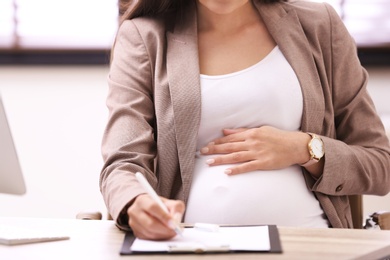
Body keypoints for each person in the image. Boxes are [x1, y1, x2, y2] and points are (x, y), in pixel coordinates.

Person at [100, 0, 390, 240]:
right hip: (190, 248)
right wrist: (137, 203)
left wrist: (305, 148)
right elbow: (123, 164)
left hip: (310, 242)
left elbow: (380, 163)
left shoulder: (318, 25)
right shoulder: (143, 35)